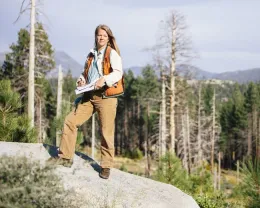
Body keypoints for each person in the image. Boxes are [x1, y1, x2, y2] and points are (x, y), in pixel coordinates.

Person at [51, 24, 124, 179]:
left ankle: (106, 166)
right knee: (70, 121)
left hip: (106, 97)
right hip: (89, 96)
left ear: (108, 37)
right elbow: (86, 73)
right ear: (95, 37)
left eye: (104, 35)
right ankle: (65, 157)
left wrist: (104, 79)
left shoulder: (112, 54)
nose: (101, 37)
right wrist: (81, 80)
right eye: (99, 35)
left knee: (106, 131)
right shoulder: (91, 54)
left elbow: (118, 73)